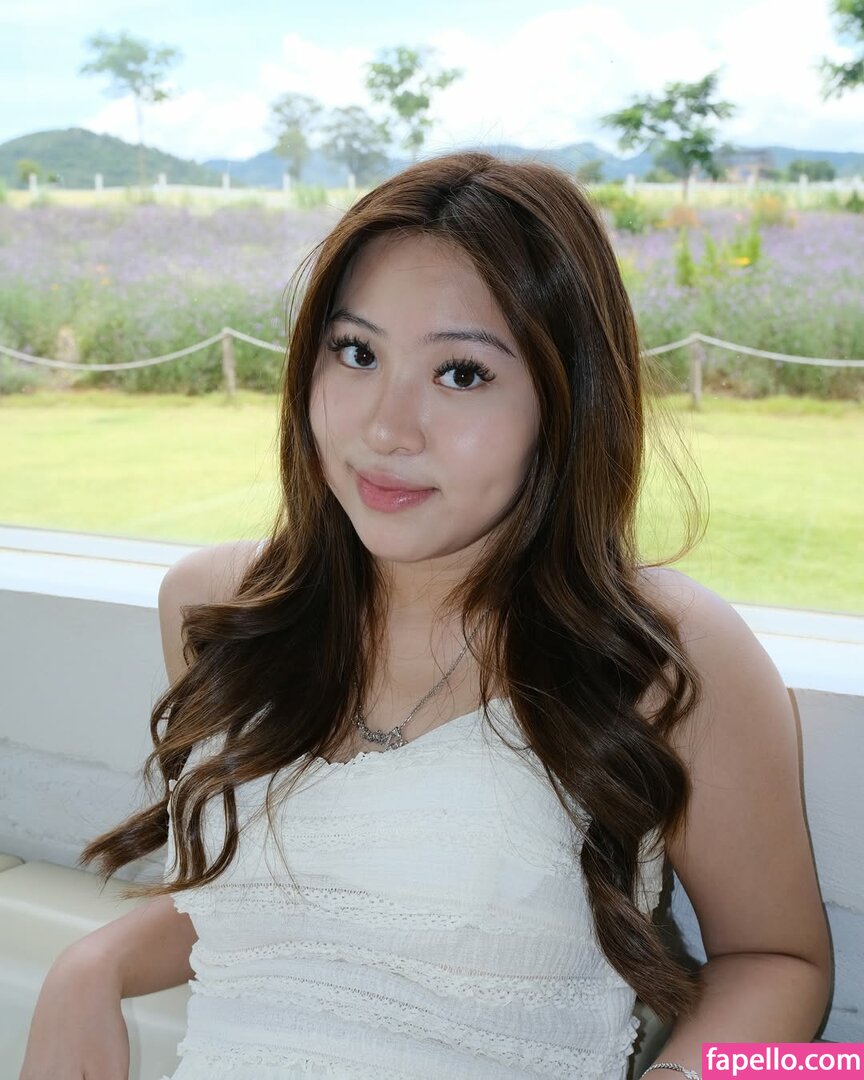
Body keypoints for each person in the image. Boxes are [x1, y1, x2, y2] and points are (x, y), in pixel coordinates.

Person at [20, 151, 830, 1080]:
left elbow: (778, 961)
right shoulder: (219, 611)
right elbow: (281, 902)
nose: (386, 429)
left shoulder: (661, 653)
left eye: (462, 374)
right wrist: (92, 965)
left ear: (566, 399)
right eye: (357, 353)